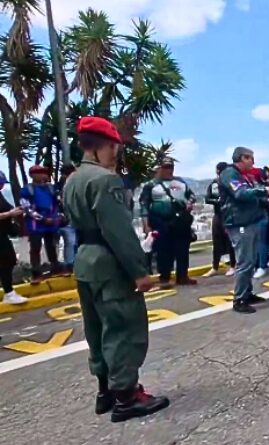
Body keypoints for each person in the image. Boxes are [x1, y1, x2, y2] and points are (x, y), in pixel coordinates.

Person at [63, 116, 168, 423]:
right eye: (115, 149)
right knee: (123, 327)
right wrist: (139, 270)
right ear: (105, 147)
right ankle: (126, 397)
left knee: (96, 329)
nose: (116, 155)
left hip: (85, 261)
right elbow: (118, 230)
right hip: (110, 263)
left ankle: (105, 391)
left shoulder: (73, 179)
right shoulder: (105, 180)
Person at [219, 147, 269, 314]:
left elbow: (249, 196)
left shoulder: (244, 175)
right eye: (249, 158)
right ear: (241, 158)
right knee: (244, 262)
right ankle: (240, 299)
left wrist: (265, 199)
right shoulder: (230, 174)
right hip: (239, 223)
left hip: (251, 221)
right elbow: (241, 194)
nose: (253, 162)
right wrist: (263, 190)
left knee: (250, 260)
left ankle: (247, 293)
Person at [139, 158, 196, 289]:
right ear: (158, 168)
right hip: (160, 221)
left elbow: (191, 195)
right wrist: (146, 225)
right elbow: (144, 205)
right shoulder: (150, 185)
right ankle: (164, 277)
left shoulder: (180, 182)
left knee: (182, 249)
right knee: (163, 251)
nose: (169, 170)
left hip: (180, 221)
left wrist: (189, 202)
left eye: (171, 167)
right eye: (165, 167)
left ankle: (183, 276)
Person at [20, 165, 64, 283]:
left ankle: (55, 268)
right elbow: (26, 207)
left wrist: (59, 216)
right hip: (35, 223)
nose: (43, 175)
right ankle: (36, 273)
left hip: (51, 221)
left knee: (51, 246)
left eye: (44, 172)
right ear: (33, 175)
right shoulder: (26, 190)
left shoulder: (51, 188)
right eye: (40, 173)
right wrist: (42, 219)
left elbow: (59, 203)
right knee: (35, 247)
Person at [203, 162, 236, 277]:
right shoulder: (213, 184)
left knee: (230, 241)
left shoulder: (230, 182)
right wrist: (218, 201)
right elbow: (207, 198)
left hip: (229, 214)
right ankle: (215, 267)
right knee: (216, 241)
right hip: (218, 215)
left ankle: (233, 266)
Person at [0, 171, 26, 304]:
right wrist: (10, 213)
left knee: (8, 261)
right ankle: (9, 293)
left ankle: (9, 292)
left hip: (3, 234)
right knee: (6, 261)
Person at [56, 165, 77, 274]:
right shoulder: (66, 184)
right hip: (67, 220)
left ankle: (70, 264)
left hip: (69, 219)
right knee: (71, 242)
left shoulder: (62, 185)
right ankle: (69, 265)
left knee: (72, 243)